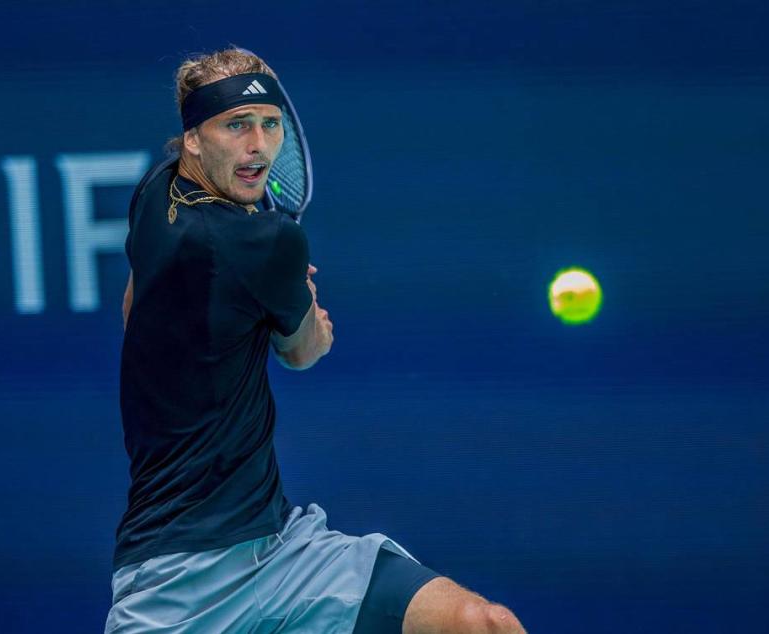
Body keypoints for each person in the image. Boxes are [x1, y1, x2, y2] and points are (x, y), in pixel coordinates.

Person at [107, 48, 527, 634]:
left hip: (282, 553)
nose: (259, 145)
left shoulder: (155, 192)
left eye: (270, 124)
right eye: (237, 125)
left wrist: (228, 317)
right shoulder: (270, 242)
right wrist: (304, 314)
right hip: (176, 582)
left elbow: (134, 310)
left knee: (483, 624)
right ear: (195, 139)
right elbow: (303, 352)